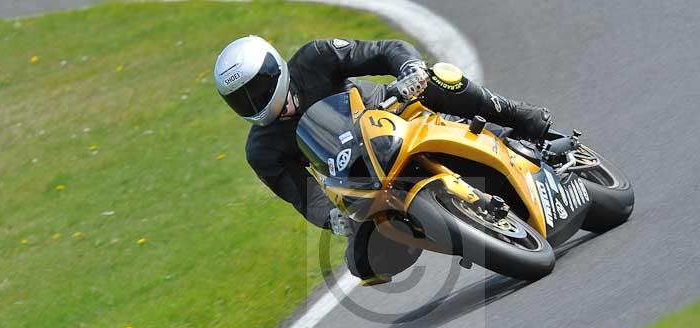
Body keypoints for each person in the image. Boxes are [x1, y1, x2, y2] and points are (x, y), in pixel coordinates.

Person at [214, 36, 552, 285]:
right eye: (240, 101)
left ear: (275, 70)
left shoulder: (315, 57)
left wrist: (409, 70)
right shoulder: (261, 151)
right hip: (362, 184)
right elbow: (303, 196)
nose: (253, 103)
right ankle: (456, 229)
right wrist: (332, 218)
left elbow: (383, 50)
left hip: (395, 116)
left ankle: (517, 115)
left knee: (439, 78)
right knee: (363, 264)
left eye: (257, 90)